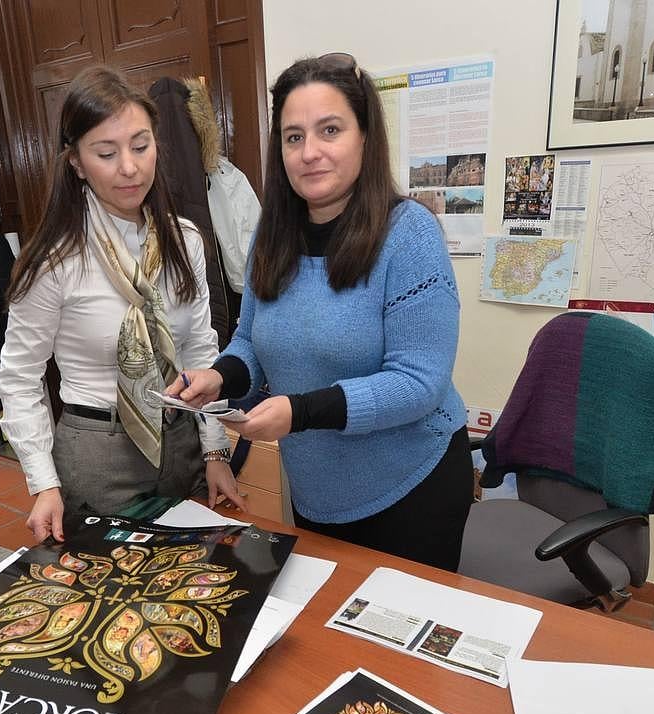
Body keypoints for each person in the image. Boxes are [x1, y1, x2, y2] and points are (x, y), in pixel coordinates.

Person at [168, 53, 474, 572]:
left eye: (329, 130)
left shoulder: (410, 235)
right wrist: (219, 378)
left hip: (412, 484)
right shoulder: (273, 232)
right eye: (293, 137)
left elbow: (419, 383)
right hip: (318, 488)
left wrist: (300, 412)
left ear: (364, 138)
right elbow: (250, 341)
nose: (309, 152)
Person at [0, 65, 244, 544]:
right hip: (97, 454)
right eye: (106, 153)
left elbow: (199, 349)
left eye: (141, 145)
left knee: (192, 586)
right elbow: (19, 377)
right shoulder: (55, 260)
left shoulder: (184, 240)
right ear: (76, 162)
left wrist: (215, 453)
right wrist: (43, 483)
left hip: (181, 442)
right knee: (112, 601)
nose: (130, 168)